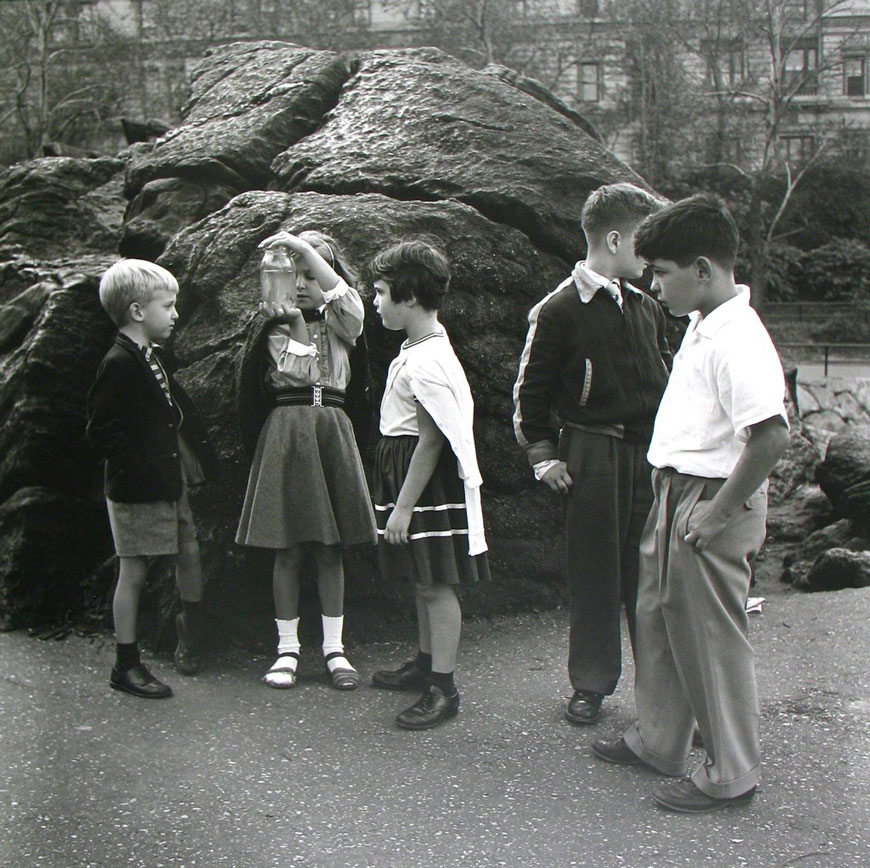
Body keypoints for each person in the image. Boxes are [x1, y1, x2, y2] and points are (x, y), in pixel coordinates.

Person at [591, 194, 790, 814]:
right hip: (675, 488)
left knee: (709, 634)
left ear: (703, 269)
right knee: (658, 616)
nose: (655, 284)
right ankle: (660, 739)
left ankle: (732, 772)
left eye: (663, 272)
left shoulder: (740, 337)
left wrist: (719, 512)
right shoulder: (705, 322)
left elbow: (773, 435)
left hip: (710, 498)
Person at [513, 182, 670, 725]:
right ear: (613, 238)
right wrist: (543, 455)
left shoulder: (647, 307)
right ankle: (592, 684)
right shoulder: (558, 310)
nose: (649, 260)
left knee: (650, 578)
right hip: (592, 453)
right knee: (596, 574)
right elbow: (528, 396)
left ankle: (664, 694)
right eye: (642, 245)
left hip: (647, 457)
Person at [235, 230, 376, 691]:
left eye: (310, 272)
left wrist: (306, 249)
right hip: (289, 433)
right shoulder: (275, 328)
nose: (300, 282)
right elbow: (298, 371)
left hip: (331, 429)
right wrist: (294, 321)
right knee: (288, 548)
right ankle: (288, 648)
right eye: (292, 273)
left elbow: (352, 311)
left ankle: (335, 648)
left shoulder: (343, 324)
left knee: (331, 548)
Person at [369, 239, 490, 730]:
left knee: (436, 585)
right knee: (422, 579)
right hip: (404, 470)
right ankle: (425, 662)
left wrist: (402, 506)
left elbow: (434, 440)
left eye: (380, 292)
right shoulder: (416, 348)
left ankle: (444, 686)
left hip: (420, 480)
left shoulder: (429, 360)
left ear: (410, 297)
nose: (375, 302)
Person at [87, 259, 218, 698]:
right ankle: (126, 664)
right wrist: (141, 470)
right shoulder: (119, 363)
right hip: (138, 488)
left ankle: (195, 628)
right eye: (169, 305)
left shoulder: (150, 356)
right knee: (135, 570)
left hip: (166, 480)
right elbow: (103, 430)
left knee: (187, 547)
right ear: (138, 312)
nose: (176, 314)